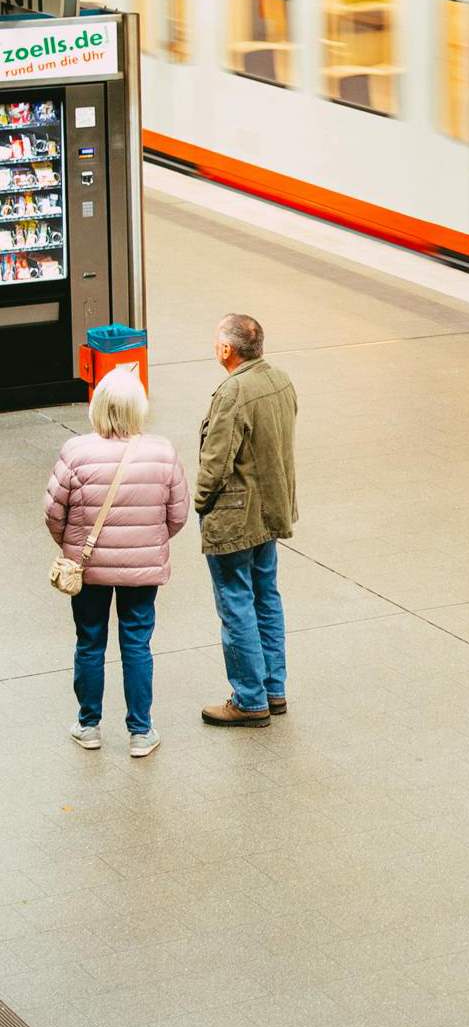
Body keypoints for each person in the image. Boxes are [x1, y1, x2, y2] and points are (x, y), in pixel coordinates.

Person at [43, 367, 189, 757]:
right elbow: (177, 515)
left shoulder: (76, 452)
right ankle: (141, 732)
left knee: (89, 641)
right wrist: (146, 543)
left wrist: (72, 546)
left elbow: (53, 512)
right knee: (137, 644)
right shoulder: (162, 451)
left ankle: (89, 725)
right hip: (142, 570)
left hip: (87, 569)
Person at [196, 313, 297, 728]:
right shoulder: (280, 380)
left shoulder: (233, 392)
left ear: (226, 349)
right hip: (269, 510)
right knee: (266, 597)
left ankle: (249, 699)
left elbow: (216, 463)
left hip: (236, 517)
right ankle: (274, 691)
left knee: (236, 602)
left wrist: (201, 502)